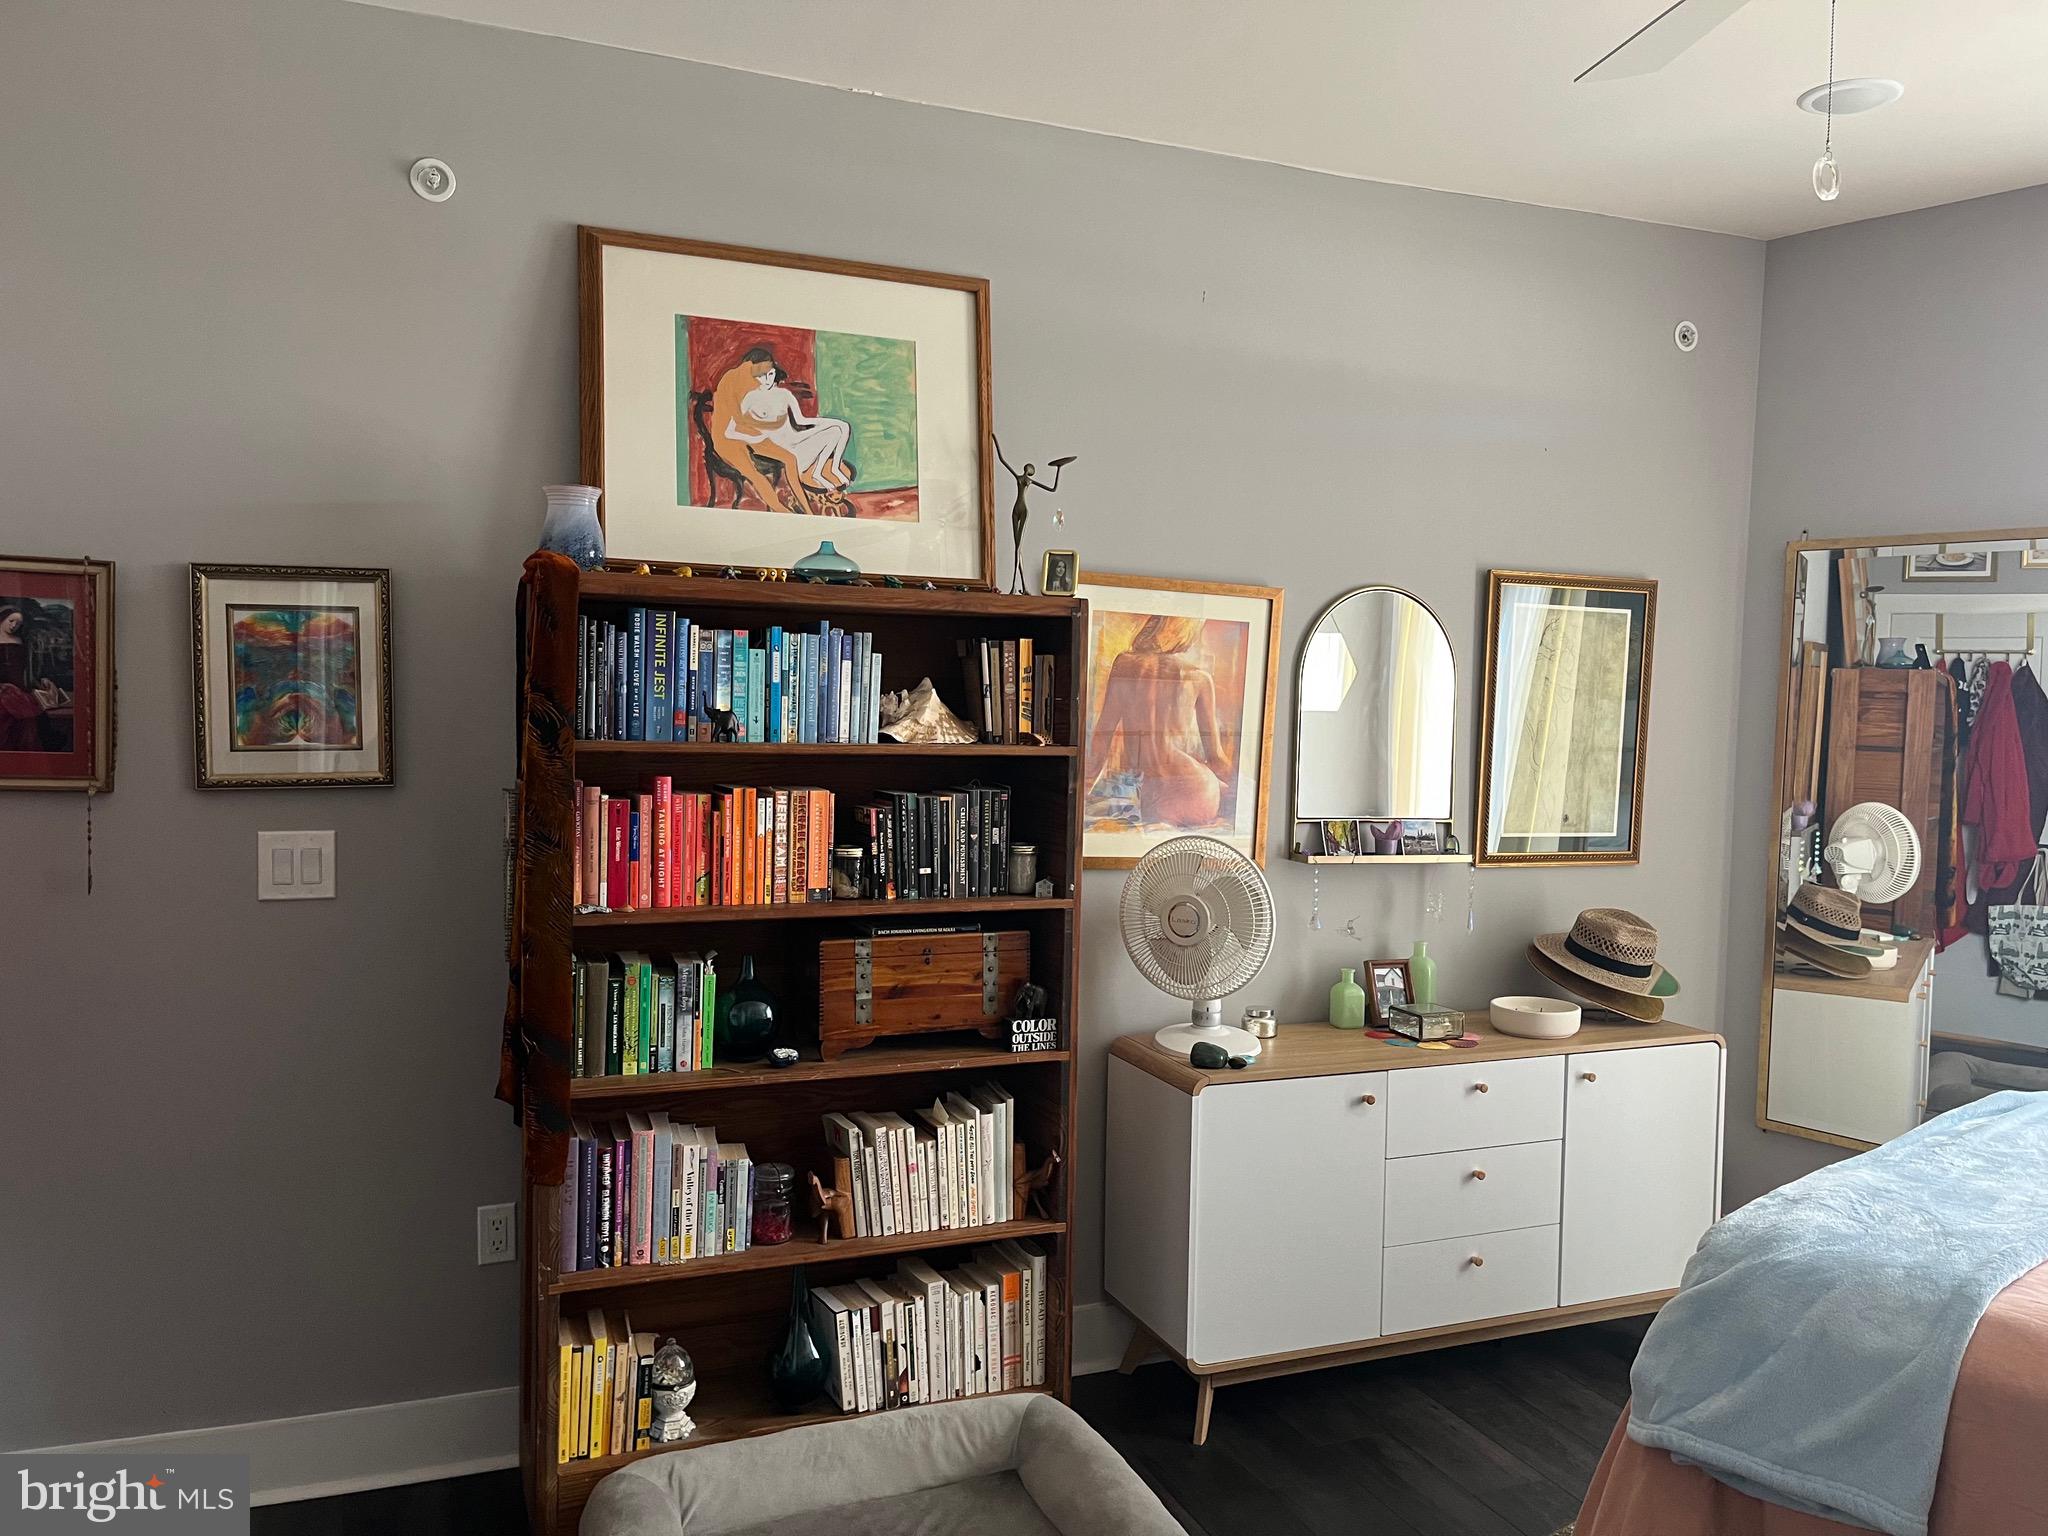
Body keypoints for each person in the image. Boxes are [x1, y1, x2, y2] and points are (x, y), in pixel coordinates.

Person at [1086, 615, 1232, 830]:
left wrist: (1084, 790)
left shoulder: (1124, 663)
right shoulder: (1199, 678)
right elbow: (1216, 758)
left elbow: (1102, 737)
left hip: (1157, 794)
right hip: (1198, 789)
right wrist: (1233, 789)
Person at [709, 348, 852, 516]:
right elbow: (734, 426)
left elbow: (797, 420)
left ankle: (814, 491)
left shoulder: (773, 390)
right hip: (755, 443)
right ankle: (791, 510)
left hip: (776, 437)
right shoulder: (742, 389)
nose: (766, 378)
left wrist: (831, 423)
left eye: (770, 373)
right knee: (766, 472)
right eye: (763, 373)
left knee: (801, 453)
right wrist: (762, 431)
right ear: (754, 369)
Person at [0, 603, 70, 752]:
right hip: (3, 689)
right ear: (2, 619)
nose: (14, 625)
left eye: (18, 623)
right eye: (11, 621)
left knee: (31, 718)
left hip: (20, 688)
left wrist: (41, 680)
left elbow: (29, 669)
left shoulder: (21, 642)